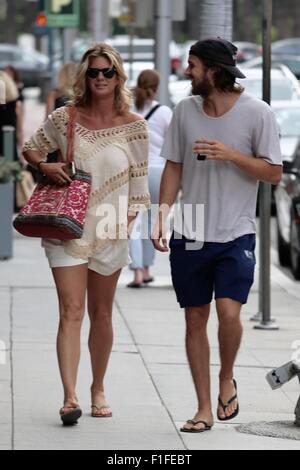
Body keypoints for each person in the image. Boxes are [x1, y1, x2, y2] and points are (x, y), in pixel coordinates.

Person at [152, 37, 282, 433]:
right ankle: (204, 406)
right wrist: (161, 215)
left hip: (236, 231)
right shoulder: (184, 110)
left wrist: (233, 156)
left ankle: (226, 376)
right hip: (190, 229)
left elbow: (273, 173)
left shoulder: (258, 113)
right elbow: (173, 166)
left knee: (229, 314)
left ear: (214, 69)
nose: (186, 71)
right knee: (195, 318)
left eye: (192, 65)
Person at [22, 43, 151, 425]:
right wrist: (47, 168)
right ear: (84, 76)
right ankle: (70, 397)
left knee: (101, 313)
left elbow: (139, 189)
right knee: (71, 310)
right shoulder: (66, 118)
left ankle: (98, 387)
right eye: (93, 72)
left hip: (110, 231)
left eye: (107, 72)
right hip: (67, 228)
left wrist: (124, 229)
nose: (99, 78)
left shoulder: (135, 126)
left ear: (118, 77)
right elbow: (31, 150)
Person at [127, 69, 172, 287]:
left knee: (132, 223)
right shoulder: (164, 113)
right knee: (152, 223)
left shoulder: (127, 109)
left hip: (133, 171)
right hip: (158, 172)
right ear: (156, 88)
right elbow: (173, 145)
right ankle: (146, 270)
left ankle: (136, 272)